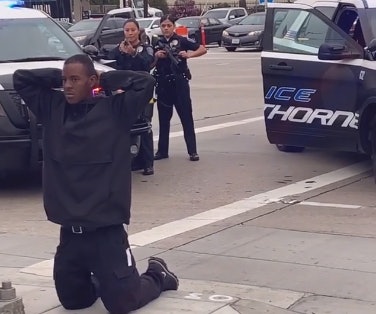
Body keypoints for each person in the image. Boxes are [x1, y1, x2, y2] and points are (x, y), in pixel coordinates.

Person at [13, 54, 179, 314]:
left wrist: (105, 79)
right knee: (74, 301)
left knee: (123, 304)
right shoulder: (52, 108)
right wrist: (59, 75)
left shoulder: (116, 111)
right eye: (64, 80)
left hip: (106, 234)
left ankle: (157, 275)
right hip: (71, 234)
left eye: (75, 79)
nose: (67, 85)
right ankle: (106, 281)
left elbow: (145, 82)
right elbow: (21, 79)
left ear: (91, 81)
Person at [153, 14, 207, 162]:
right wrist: (156, 55)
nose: (166, 28)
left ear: (173, 26)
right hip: (164, 84)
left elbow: (202, 49)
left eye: (168, 25)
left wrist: (189, 54)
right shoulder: (157, 42)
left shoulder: (182, 41)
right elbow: (149, 61)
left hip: (180, 84)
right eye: (163, 26)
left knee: (186, 117)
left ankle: (192, 151)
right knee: (164, 119)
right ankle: (162, 151)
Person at [108, 18, 155, 176]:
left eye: (132, 30)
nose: (130, 33)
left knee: (145, 126)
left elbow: (148, 64)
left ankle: (148, 163)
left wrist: (134, 54)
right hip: (125, 93)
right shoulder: (118, 49)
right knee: (127, 127)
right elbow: (110, 65)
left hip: (143, 93)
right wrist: (119, 53)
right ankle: (135, 159)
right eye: (127, 30)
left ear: (138, 31)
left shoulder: (145, 48)